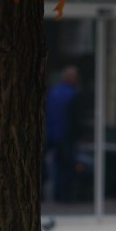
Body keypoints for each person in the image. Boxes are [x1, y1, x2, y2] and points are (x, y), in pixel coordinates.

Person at [46, 66, 81, 202]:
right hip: (66, 136)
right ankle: (66, 197)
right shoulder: (72, 95)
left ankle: (57, 195)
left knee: (57, 167)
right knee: (67, 167)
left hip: (53, 136)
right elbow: (74, 118)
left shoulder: (53, 93)